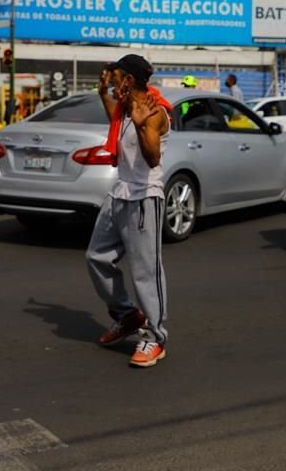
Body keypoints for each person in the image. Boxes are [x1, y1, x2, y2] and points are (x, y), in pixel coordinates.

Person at [86, 54, 172, 368]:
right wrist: (103, 90)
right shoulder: (124, 109)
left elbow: (152, 158)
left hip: (144, 197)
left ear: (130, 80)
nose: (114, 81)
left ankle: (155, 337)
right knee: (96, 257)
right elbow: (111, 112)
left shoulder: (153, 112)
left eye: (117, 76)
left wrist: (139, 126)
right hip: (120, 192)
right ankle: (126, 315)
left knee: (146, 273)